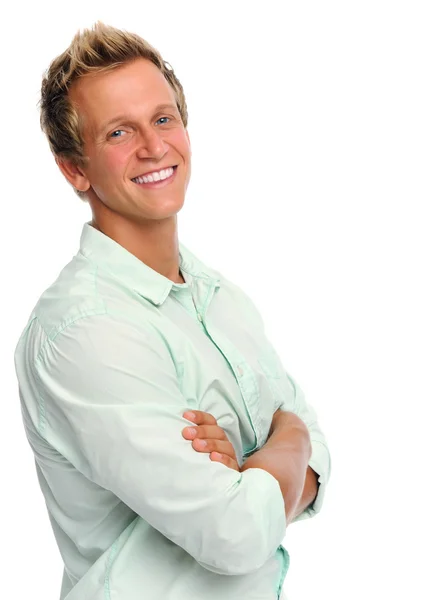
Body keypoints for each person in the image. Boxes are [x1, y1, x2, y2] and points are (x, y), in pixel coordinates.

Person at [13, 21, 331, 600]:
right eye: (118, 132)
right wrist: (288, 438)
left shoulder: (221, 297)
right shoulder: (87, 330)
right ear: (74, 168)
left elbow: (322, 461)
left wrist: (258, 463)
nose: (154, 146)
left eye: (163, 118)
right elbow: (235, 532)